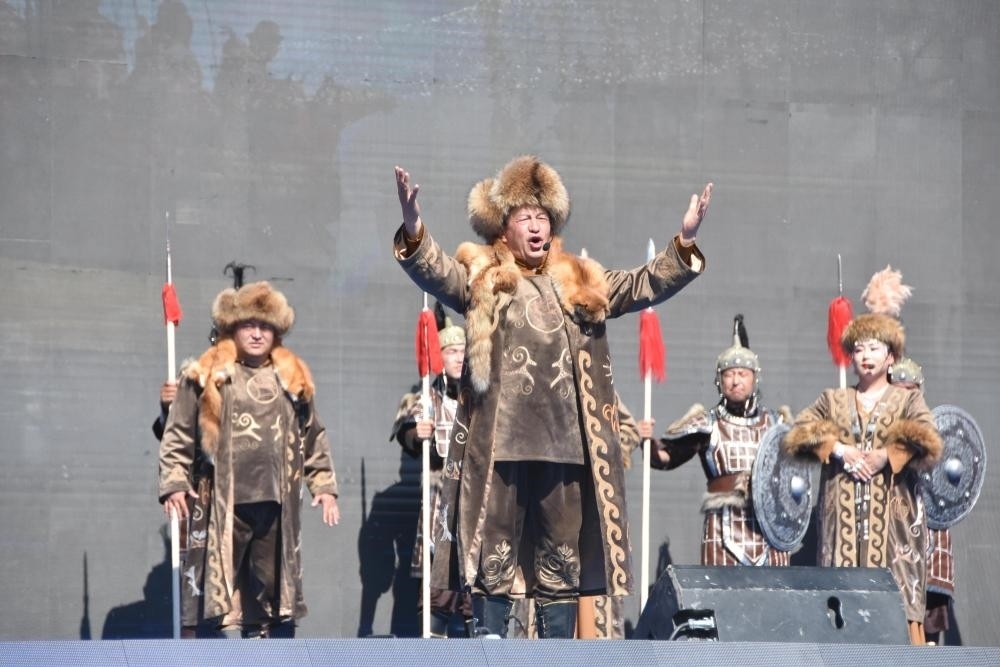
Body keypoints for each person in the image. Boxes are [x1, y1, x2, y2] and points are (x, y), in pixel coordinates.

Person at [393, 155, 711, 638]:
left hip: (566, 448)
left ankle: (556, 654)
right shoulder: (484, 274)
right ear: (504, 227)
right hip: (500, 447)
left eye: (542, 216)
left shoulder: (580, 279)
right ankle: (490, 650)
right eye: (525, 216)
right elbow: (438, 273)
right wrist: (414, 227)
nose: (536, 226)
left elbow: (640, 285)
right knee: (493, 562)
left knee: (561, 566)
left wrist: (683, 242)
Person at [158, 281, 340, 638]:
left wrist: (324, 486)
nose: (257, 334)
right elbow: (178, 432)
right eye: (249, 325)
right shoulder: (206, 374)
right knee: (209, 595)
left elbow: (312, 434)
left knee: (273, 598)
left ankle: (268, 657)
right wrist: (174, 481)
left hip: (274, 504)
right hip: (220, 502)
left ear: (276, 331)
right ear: (233, 327)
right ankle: (201, 659)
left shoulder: (292, 378)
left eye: (265, 326)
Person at [782, 268, 941, 644]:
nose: (866, 356)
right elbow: (798, 432)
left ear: (891, 356)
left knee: (896, 620)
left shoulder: (906, 399)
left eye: (874, 348)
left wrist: (886, 456)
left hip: (894, 529)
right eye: (859, 349)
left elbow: (928, 438)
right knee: (841, 619)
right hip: (842, 529)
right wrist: (839, 450)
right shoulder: (833, 399)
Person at [642, 314, 792, 567]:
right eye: (729, 374)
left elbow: (796, 475)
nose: (736, 381)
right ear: (719, 380)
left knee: (773, 590)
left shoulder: (777, 423)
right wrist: (649, 443)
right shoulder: (707, 423)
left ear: (754, 378)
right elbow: (667, 458)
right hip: (723, 527)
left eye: (742, 374)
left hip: (770, 526)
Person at [390, 308, 473, 637]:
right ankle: (434, 650)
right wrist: (417, 432)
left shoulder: (482, 399)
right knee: (439, 591)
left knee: (476, 592)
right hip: (441, 505)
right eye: (451, 351)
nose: (459, 358)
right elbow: (406, 432)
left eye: (463, 351)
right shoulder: (428, 398)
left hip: (477, 505)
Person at [890, 356, 957, 645]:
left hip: (929, 530)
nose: (905, 397)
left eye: (911, 390)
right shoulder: (879, 432)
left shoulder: (937, 429)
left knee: (928, 631)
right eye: (899, 390)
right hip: (894, 532)